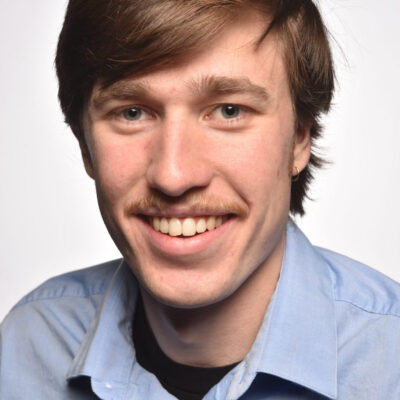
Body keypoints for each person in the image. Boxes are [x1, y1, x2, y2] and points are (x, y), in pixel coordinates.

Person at [1, 0, 399, 399]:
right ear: (85, 145)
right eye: (133, 113)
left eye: (229, 111)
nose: (173, 177)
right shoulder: (29, 347)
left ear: (299, 139)